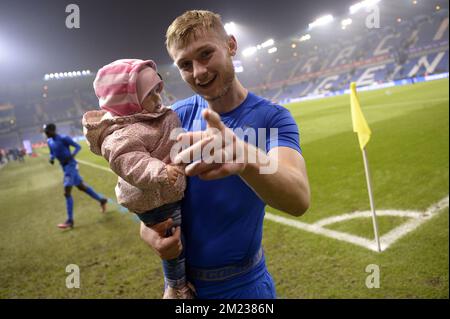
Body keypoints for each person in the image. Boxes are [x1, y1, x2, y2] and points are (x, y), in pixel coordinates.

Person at [139, 10, 311, 299]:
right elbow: (151, 205)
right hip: (185, 288)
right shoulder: (175, 119)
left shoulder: (273, 119)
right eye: (185, 64)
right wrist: (152, 237)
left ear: (231, 45)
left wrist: (243, 156)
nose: (199, 72)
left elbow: (298, 199)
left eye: (206, 54)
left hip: (245, 287)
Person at [82, 59, 193, 299]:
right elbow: (133, 163)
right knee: (173, 244)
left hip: (164, 193)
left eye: (157, 90)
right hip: (155, 201)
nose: (158, 97)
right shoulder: (120, 135)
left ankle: (178, 283)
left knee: (176, 240)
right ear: (129, 102)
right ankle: (177, 286)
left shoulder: (147, 117)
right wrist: (161, 171)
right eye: (150, 93)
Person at [43, 123, 108, 229]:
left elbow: (77, 147)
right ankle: (102, 200)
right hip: (64, 167)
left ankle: (70, 221)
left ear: (52, 130)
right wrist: (51, 158)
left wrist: (72, 156)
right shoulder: (49, 142)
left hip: (71, 166)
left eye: (46, 131)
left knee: (66, 192)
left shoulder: (64, 138)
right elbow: (52, 153)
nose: (45, 134)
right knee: (81, 187)